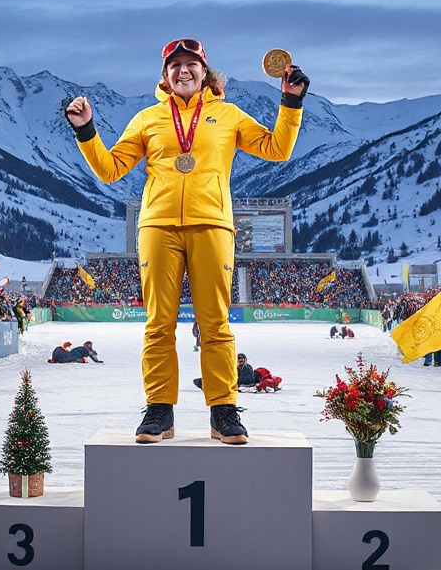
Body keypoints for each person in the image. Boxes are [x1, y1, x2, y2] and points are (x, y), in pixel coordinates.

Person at [65, 38, 307, 445]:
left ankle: (223, 411)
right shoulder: (147, 119)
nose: (183, 70)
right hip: (158, 226)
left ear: (205, 72)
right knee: (159, 323)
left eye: (191, 64)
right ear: (165, 75)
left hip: (213, 225)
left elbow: (277, 148)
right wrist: (86, 130)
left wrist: (291, 103)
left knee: (215, 323)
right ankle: (160, 410)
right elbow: (110, 169)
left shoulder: (228, 115)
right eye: (174, 64)